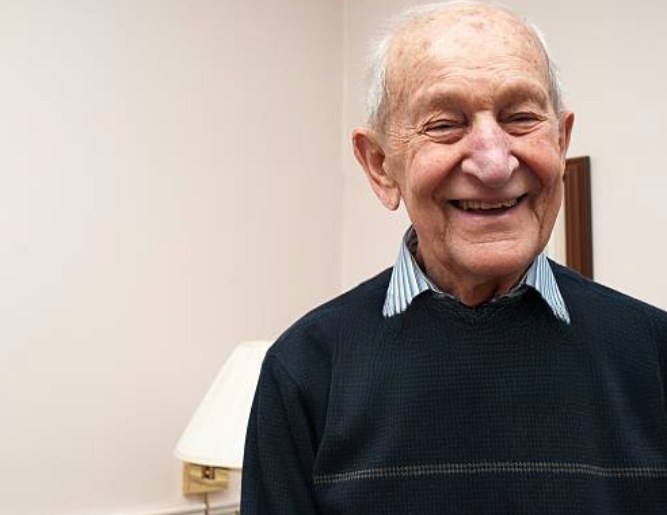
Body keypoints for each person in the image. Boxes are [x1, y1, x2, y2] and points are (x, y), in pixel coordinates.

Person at [241, 2, 667, 513]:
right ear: (379, 165)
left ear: (560, 142)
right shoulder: (306, 371)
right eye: (444, 124)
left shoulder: (655, 355)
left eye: (521, 118)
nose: (493, 163)